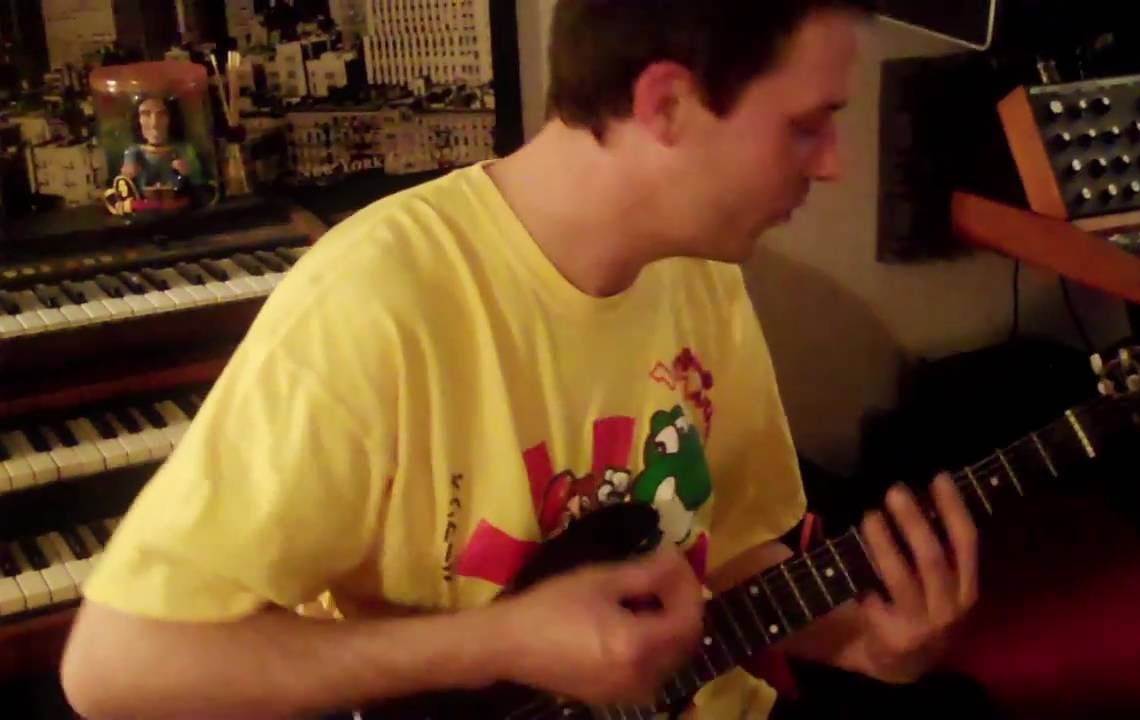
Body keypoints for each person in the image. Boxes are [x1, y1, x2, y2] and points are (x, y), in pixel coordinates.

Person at [60, 2, 981, 718]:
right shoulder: (372, 302)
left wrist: (862, 642)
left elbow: (728, 549)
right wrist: (499, 644)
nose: (833, 165)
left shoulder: (702, 266)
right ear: (666, 103)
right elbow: (114, 668)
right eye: (806, 125)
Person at [117, 94, 204, 206]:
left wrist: (189, 171)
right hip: (145, 205)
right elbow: (123, 186)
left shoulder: (182, 149)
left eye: (161, 115)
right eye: (146, 114)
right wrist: (126, 176)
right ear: (137, 120)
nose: (154, 123)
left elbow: (199, 180)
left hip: (177, 204)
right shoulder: (134, 152)